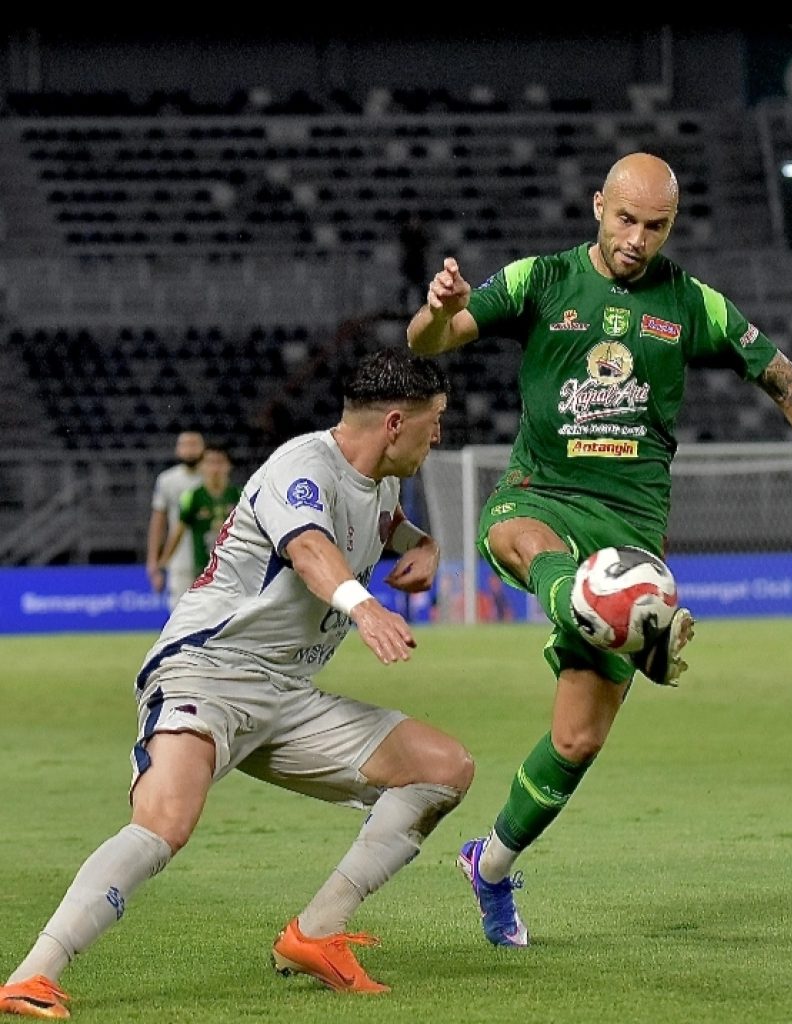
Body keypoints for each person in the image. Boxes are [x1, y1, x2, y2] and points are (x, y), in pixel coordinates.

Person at [406, 151, 792, 948]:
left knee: (578, 741)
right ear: (598, 205)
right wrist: (439, 306)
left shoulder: (690, 303)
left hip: (630, 535)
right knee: (513, 538)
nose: (637, 239)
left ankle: (489, 866)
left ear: (673, 224)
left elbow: (787, 381)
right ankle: (608, 612)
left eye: (655, 226)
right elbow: (431, 340)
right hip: (541, 495)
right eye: (625, 219)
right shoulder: (541, 280)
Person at [0, 348, 472, 1017]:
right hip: (209, 671)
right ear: (396, 422)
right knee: (163, 824)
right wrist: (364, 607)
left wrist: (424, 546)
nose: (440, 435)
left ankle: (317, 932)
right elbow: (309, 548)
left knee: (442, 768)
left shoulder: (384, 483)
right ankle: (32, 975)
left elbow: (389, 526)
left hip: (289, 694)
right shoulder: (300, 467)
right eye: (436, 421)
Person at [157, 443, 243, 580]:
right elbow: (178, 532)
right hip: (203, 571)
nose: (215, 469)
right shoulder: (192, 497)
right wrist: (163, 561)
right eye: (210, 463)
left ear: (229, 466)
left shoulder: (240, 496)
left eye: (220, 463)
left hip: (235, 571)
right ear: (202, 466)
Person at [145, 430, 205, 608]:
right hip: (179, 558)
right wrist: (153, 560)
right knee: (180, 611)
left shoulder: (211, 478)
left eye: (194, 445)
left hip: (211, 557)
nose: (190, 450)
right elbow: (158, 522)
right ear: (177, 450)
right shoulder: (167, 480)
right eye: (185, 445)